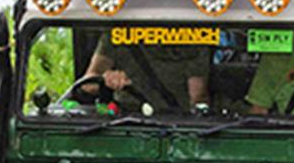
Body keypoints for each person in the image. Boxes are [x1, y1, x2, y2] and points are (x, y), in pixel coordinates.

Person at [79, 34, 210, 112]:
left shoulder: (193, 38)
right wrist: (106, 80)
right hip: (124, 121)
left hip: (177, 122)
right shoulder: (116, 35)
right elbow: (88, 83)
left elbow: (198, 97)